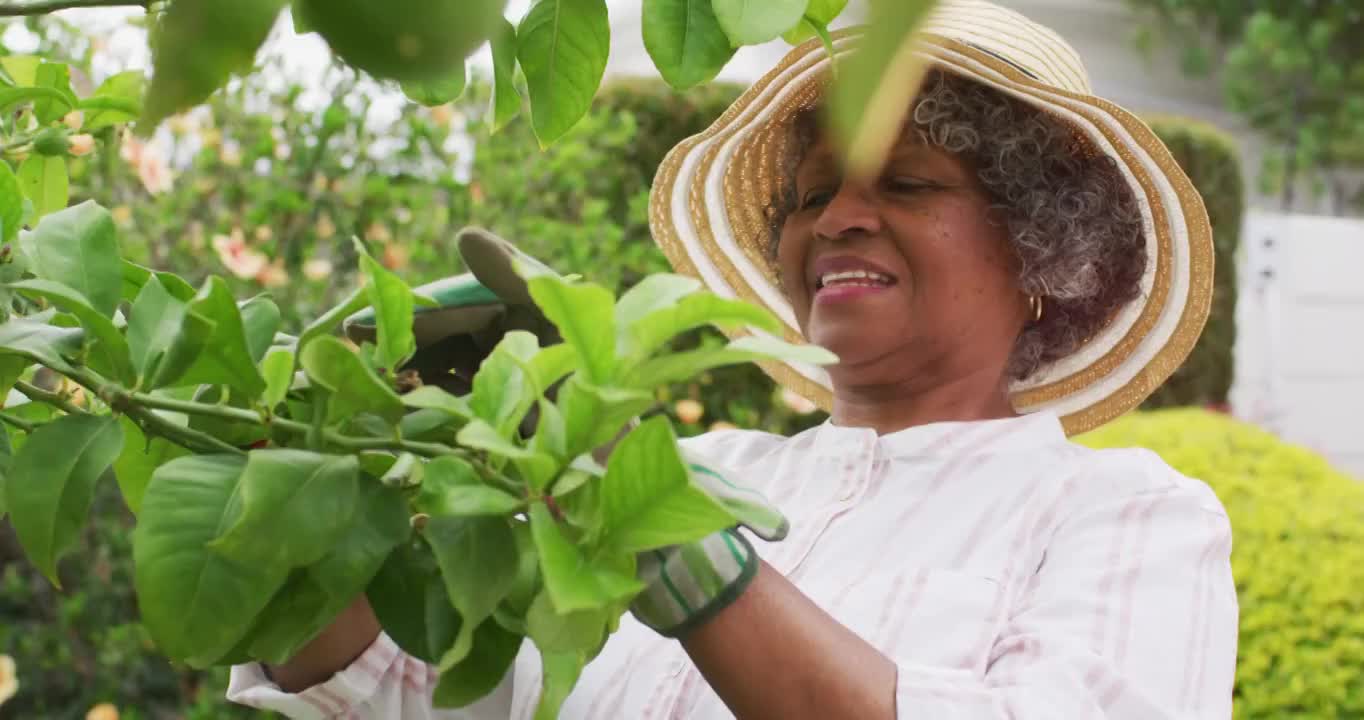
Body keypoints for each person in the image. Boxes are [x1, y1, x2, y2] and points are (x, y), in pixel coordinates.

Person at [228, 1, 1238, 717]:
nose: (838, 218)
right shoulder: (727, 472)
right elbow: (428, 700)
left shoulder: (1124, 517)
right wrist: (322, 483)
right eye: (810, 195)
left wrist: (684, 549)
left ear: (1036, 248)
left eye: (907, 183)